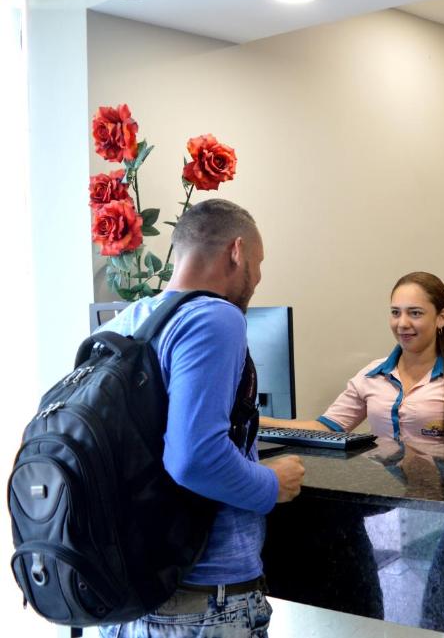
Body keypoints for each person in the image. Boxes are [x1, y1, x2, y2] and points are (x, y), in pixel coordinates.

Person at [98, 199, 306, 638]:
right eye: (259, 261)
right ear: (237, 251)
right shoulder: (215, 317)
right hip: (205, 602)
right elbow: (194, 458)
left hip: (131, 602)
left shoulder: (123, 322)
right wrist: (272, 484)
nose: (260, 276)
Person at [261, 271, 444, 448]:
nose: (402, 323)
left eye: (415, 313)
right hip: (386, 509)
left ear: (441, 318)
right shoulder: (371, 375)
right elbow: (325, 429)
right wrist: (258, 422)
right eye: (395, 312)